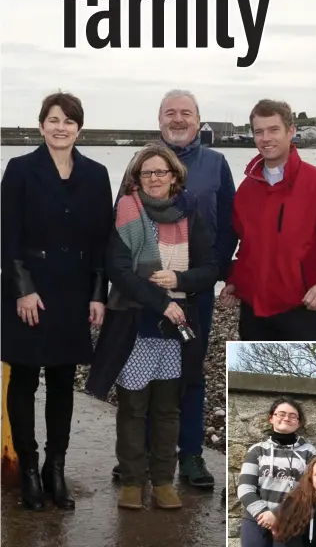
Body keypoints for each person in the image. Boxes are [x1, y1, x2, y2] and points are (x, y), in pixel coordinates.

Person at [111, 89, 237, 488]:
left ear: (199, 120)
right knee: (144, 374)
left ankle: (192, 456)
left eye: (186, 113)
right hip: (144, 296)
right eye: (170, 113)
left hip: (195, 293)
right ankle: (143, 454)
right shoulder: (138, 167)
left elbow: (230, 226)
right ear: (159, 120)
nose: (178, 119)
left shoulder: (216, 164)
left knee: (191, 375)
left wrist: (203, 274)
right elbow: (118, 230)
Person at [85, 142, 219, 509]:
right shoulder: (127, 212)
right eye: (147, 173)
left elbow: (210, 269)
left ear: (174, 175)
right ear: (137, 178)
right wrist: (162, 302)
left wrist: (178, 280)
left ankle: (162, 481)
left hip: (176, 329)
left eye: (161, 171)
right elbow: (118, 270)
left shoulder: (192, 215)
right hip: (135, 323)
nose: (155, 178)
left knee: (167, 410)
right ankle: (132, 480)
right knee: (132, 408)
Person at [1, 92, 113, 511]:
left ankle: (55, 468)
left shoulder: (97, 173)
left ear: (79, 128)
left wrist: (98, 295)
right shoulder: (20, 170)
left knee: (64, 383)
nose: (60, 127)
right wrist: (22, 288)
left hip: (73, 292)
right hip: (31, 292)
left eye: (68, 121)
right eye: (53, 119)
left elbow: (102, 240)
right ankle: (29, 470)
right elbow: (7, 235)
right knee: (25, 380)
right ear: (41, 125)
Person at [220, 98, 316, 341]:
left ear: (290, 132)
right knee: (251, 379)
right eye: (259, 131)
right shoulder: (247, 189)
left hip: (302, 308)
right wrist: (236, 282)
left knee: (301, 378)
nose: (265, 138)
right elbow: (247, 246)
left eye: (273, 130)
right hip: (253, 311)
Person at [237, 397, 316, 547]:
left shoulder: (309, 452)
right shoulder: (257, 449)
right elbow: (245, 488)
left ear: (299, 423)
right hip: (256, 519)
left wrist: (277, 514)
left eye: (293, 416)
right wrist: (265, 515)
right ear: (271, 418)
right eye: (281, 414)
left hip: (291, 519)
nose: (287, 418)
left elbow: (309, 490)